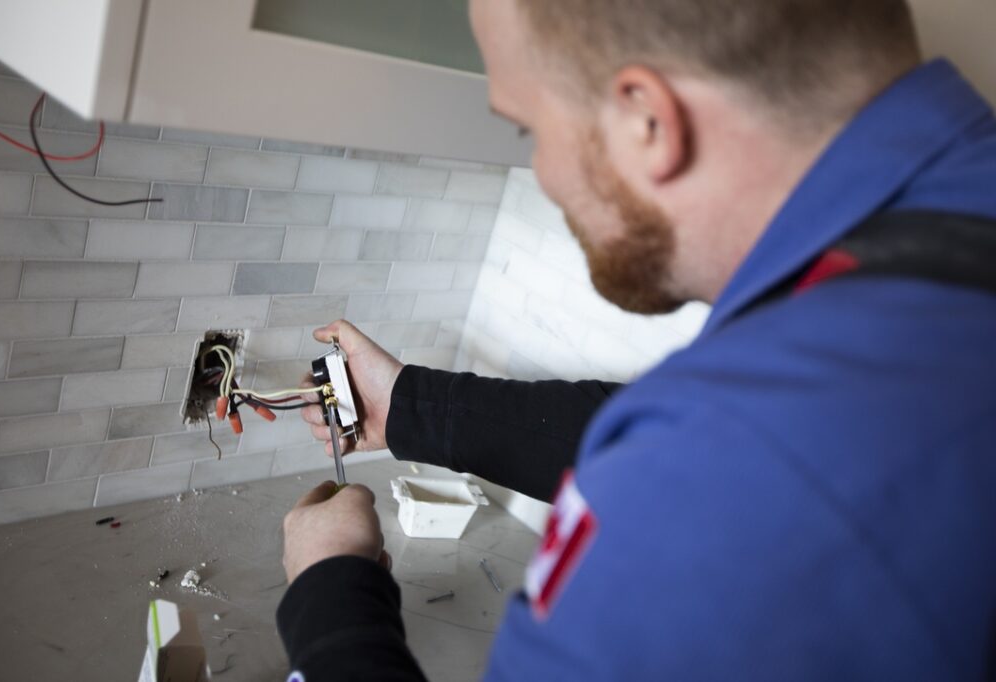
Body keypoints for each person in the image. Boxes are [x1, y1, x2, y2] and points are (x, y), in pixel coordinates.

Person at [276, 0, 996, 679]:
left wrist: (329, 590)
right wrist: (413, 407)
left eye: (530, 129)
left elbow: (716, 468)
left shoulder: (757, 453)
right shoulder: (954, 213)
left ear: (648, 119)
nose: (542, 172)